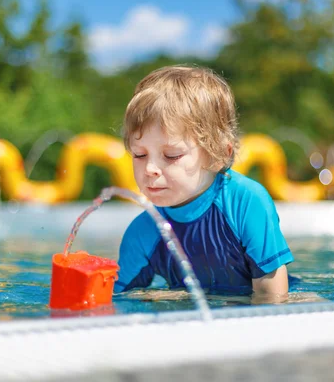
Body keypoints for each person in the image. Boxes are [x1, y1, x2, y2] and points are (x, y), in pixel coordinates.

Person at [114, 65, 294, 304]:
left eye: (171, 156)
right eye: (139, 155)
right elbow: (117, 302)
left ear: (217, 153)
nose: (149, 169)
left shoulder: (245, 202)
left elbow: (272, 295)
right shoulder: (143, 233)